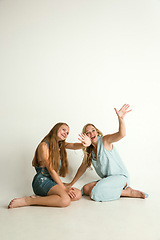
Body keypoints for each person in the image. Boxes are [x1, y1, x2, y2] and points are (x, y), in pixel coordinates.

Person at [65, 104, 148, 202]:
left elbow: (121, 134)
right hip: (109, 180)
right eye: (88, 132)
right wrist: (70, 184)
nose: (91, 133)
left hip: (120, 178)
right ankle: (112, 190)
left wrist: (121, 119)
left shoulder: (105, 140)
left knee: (95, 193)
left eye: (93, 130)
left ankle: (127, 192)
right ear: (85, 136)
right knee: (86, 189)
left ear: (97, 132)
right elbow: (81, 169)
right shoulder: (90, 152)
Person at [8, 122, 91, 208]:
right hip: (41, 181)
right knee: (65, 201)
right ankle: (29, 200)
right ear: (55, 129)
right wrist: (64, 189)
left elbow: (73, 145)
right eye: (63, 130)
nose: (65, 134)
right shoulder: (44, 146)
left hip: (52, 181)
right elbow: (51, 170)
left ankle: (45, 198)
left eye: (67, 133)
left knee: (77, 194)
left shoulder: (59, 145)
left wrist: (85, 144)